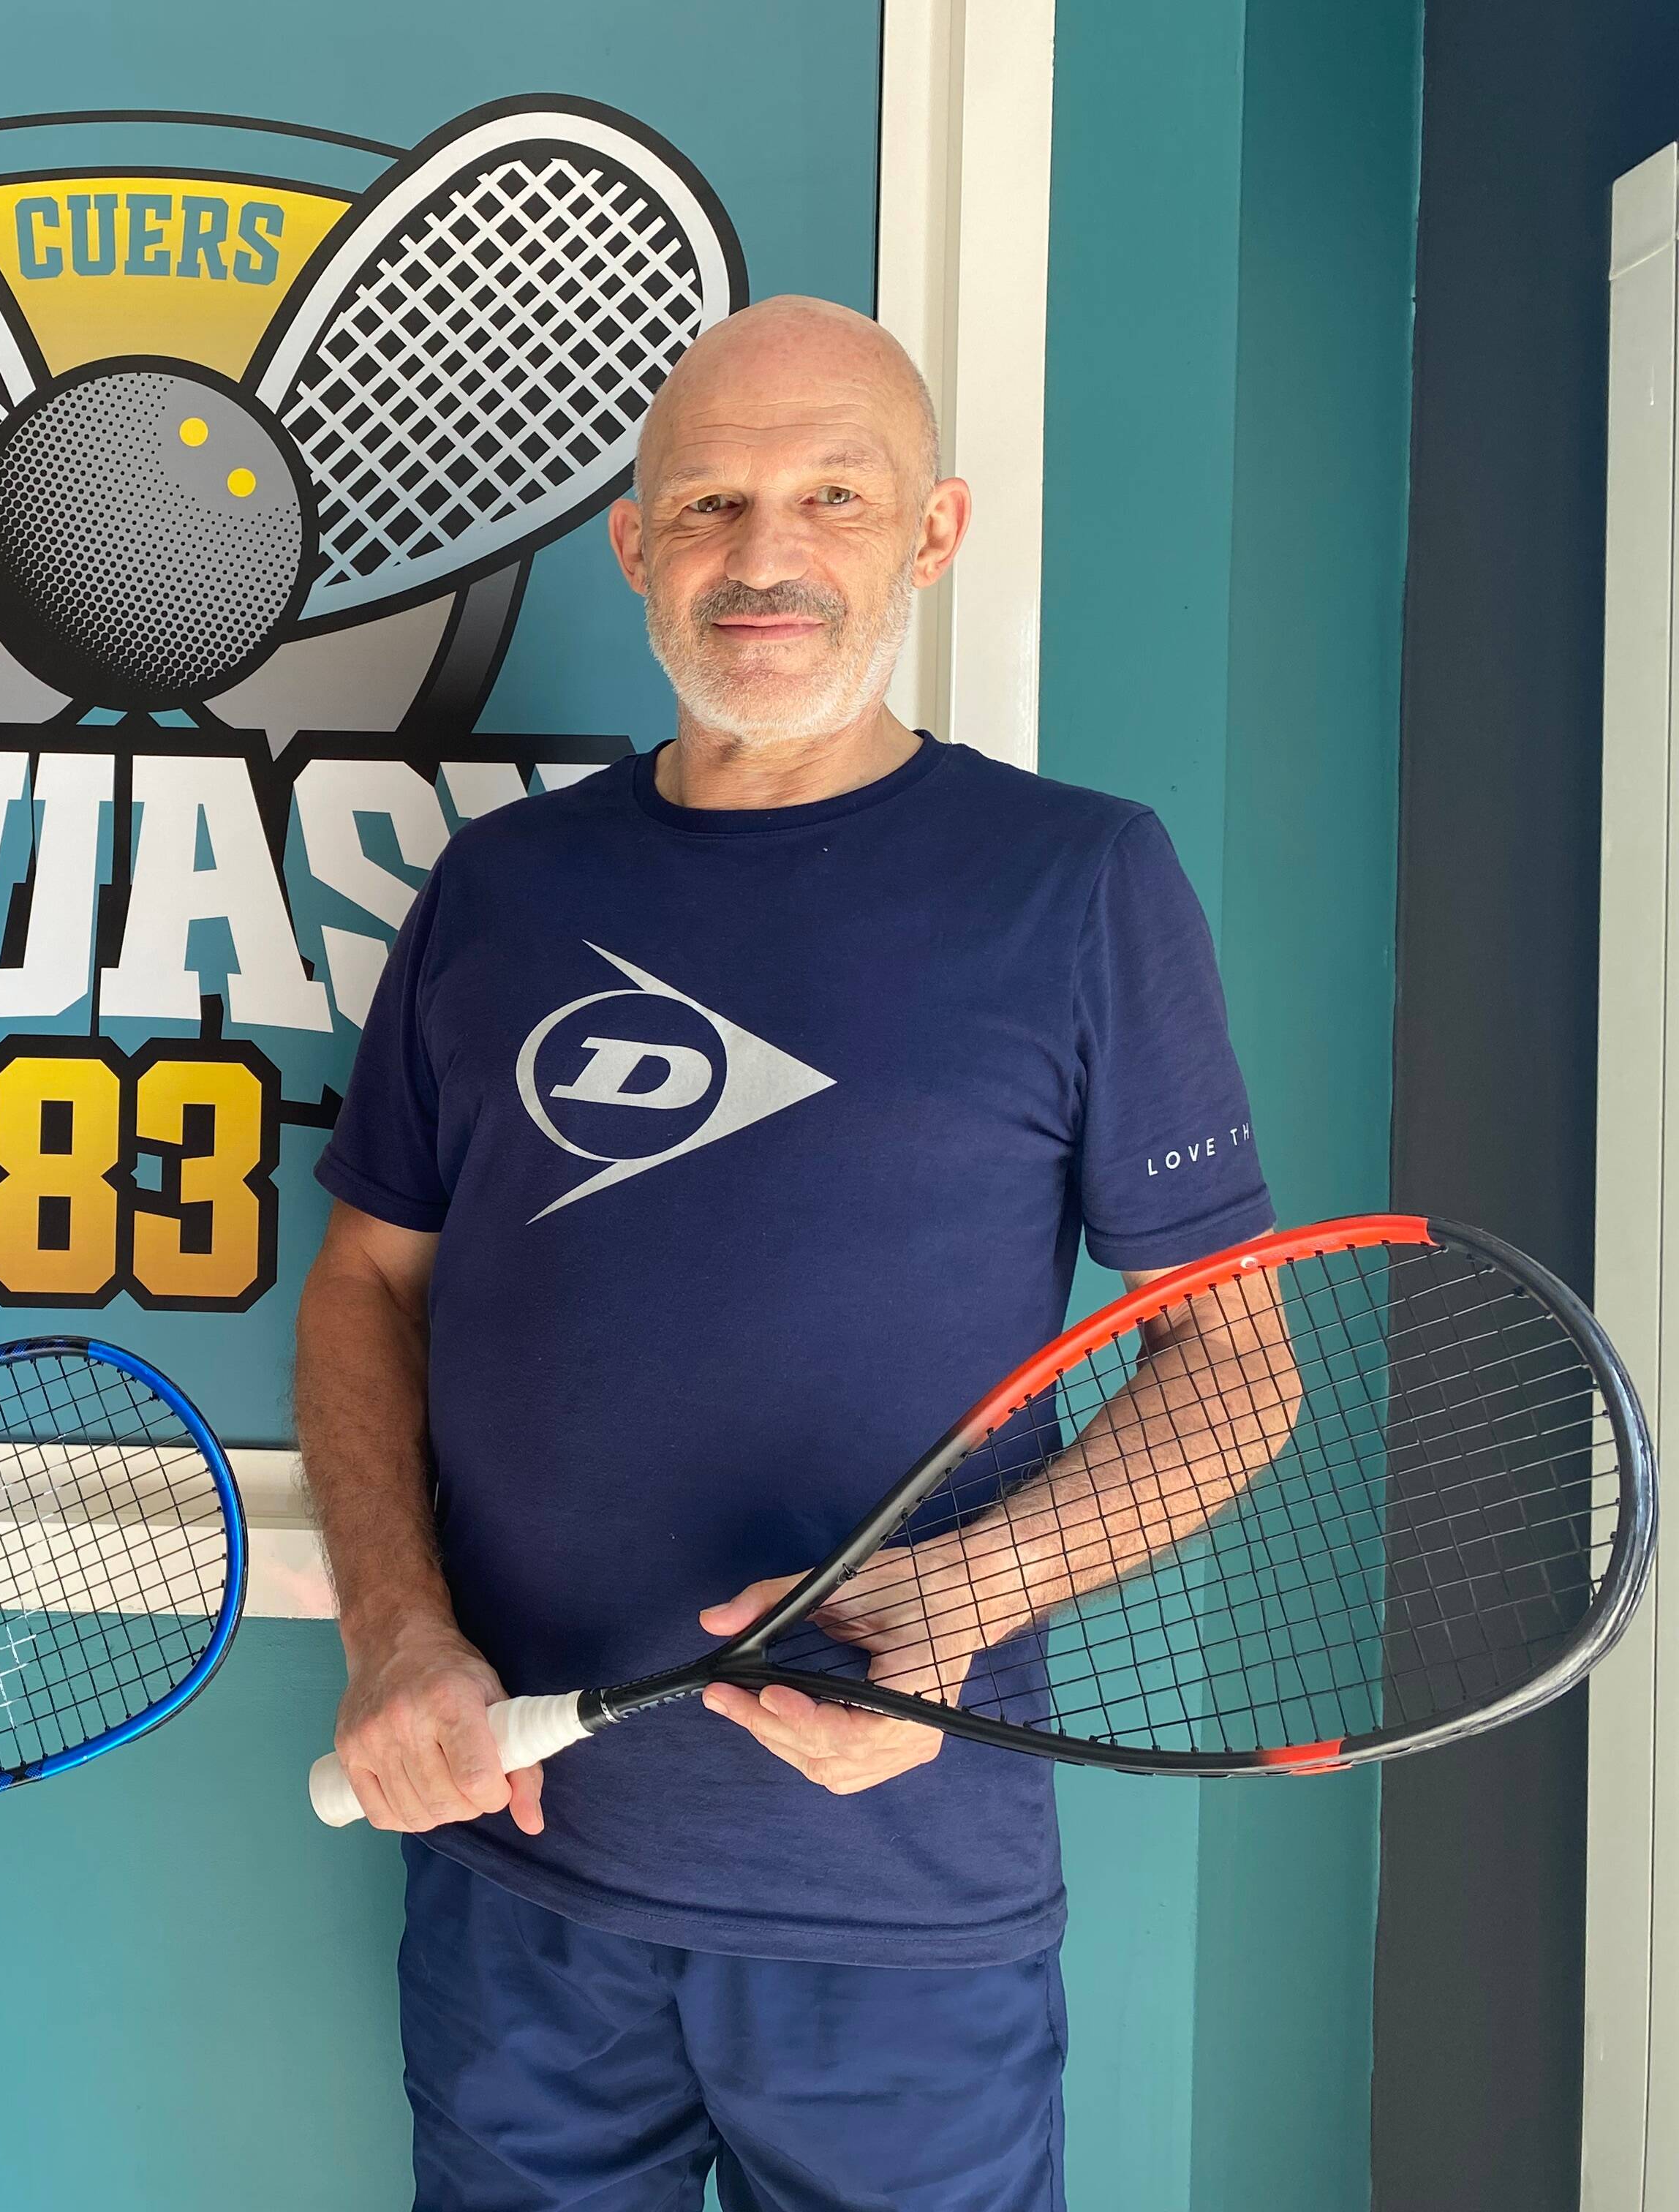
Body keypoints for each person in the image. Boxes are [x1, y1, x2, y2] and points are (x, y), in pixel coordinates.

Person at [298, 296, 1276, 2211]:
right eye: (716, 501)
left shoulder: (1080, 882)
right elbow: (364, 1286)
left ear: (934, 532)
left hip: (899, 1917)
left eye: (835, 497)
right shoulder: (503, 891)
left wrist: (965, 1599)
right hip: (525, 1883)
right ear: (634, 540)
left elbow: (1241, 1367)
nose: (767, 558)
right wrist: (395, 1629)